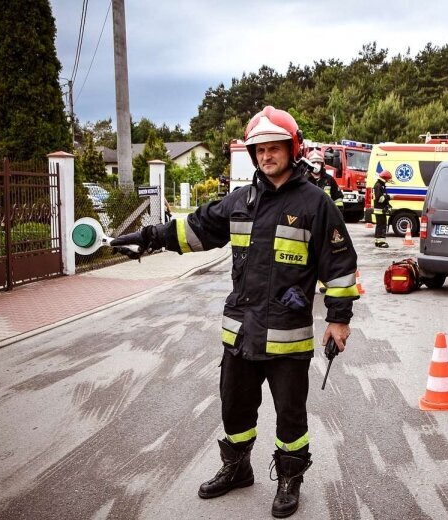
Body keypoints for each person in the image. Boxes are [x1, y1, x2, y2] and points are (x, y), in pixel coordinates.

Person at [110, 106, 360, 519]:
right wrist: (147, 237)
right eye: (259, 149)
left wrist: (338, 319)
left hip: (287, 337)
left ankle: (289, 479)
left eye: (274, 147)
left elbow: (339, 266)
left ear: (292, 148)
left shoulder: (316, 204)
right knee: (235, 409)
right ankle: (238, 467)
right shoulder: (241, 200)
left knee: (290, 418)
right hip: (241, 334)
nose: (266, 156)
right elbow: (194, 229)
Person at [372, 170, 392, 248]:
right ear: (385, 178)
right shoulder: (378, 186)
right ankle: (381, 242)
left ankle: (378, 241)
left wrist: (388, 204)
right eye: (388, 179)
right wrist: (389, 197)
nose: (388, 181)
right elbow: (380, 199)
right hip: (380, 210)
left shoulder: (380, 185)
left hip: (380, 210)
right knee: (382, 226)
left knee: (379, 226)